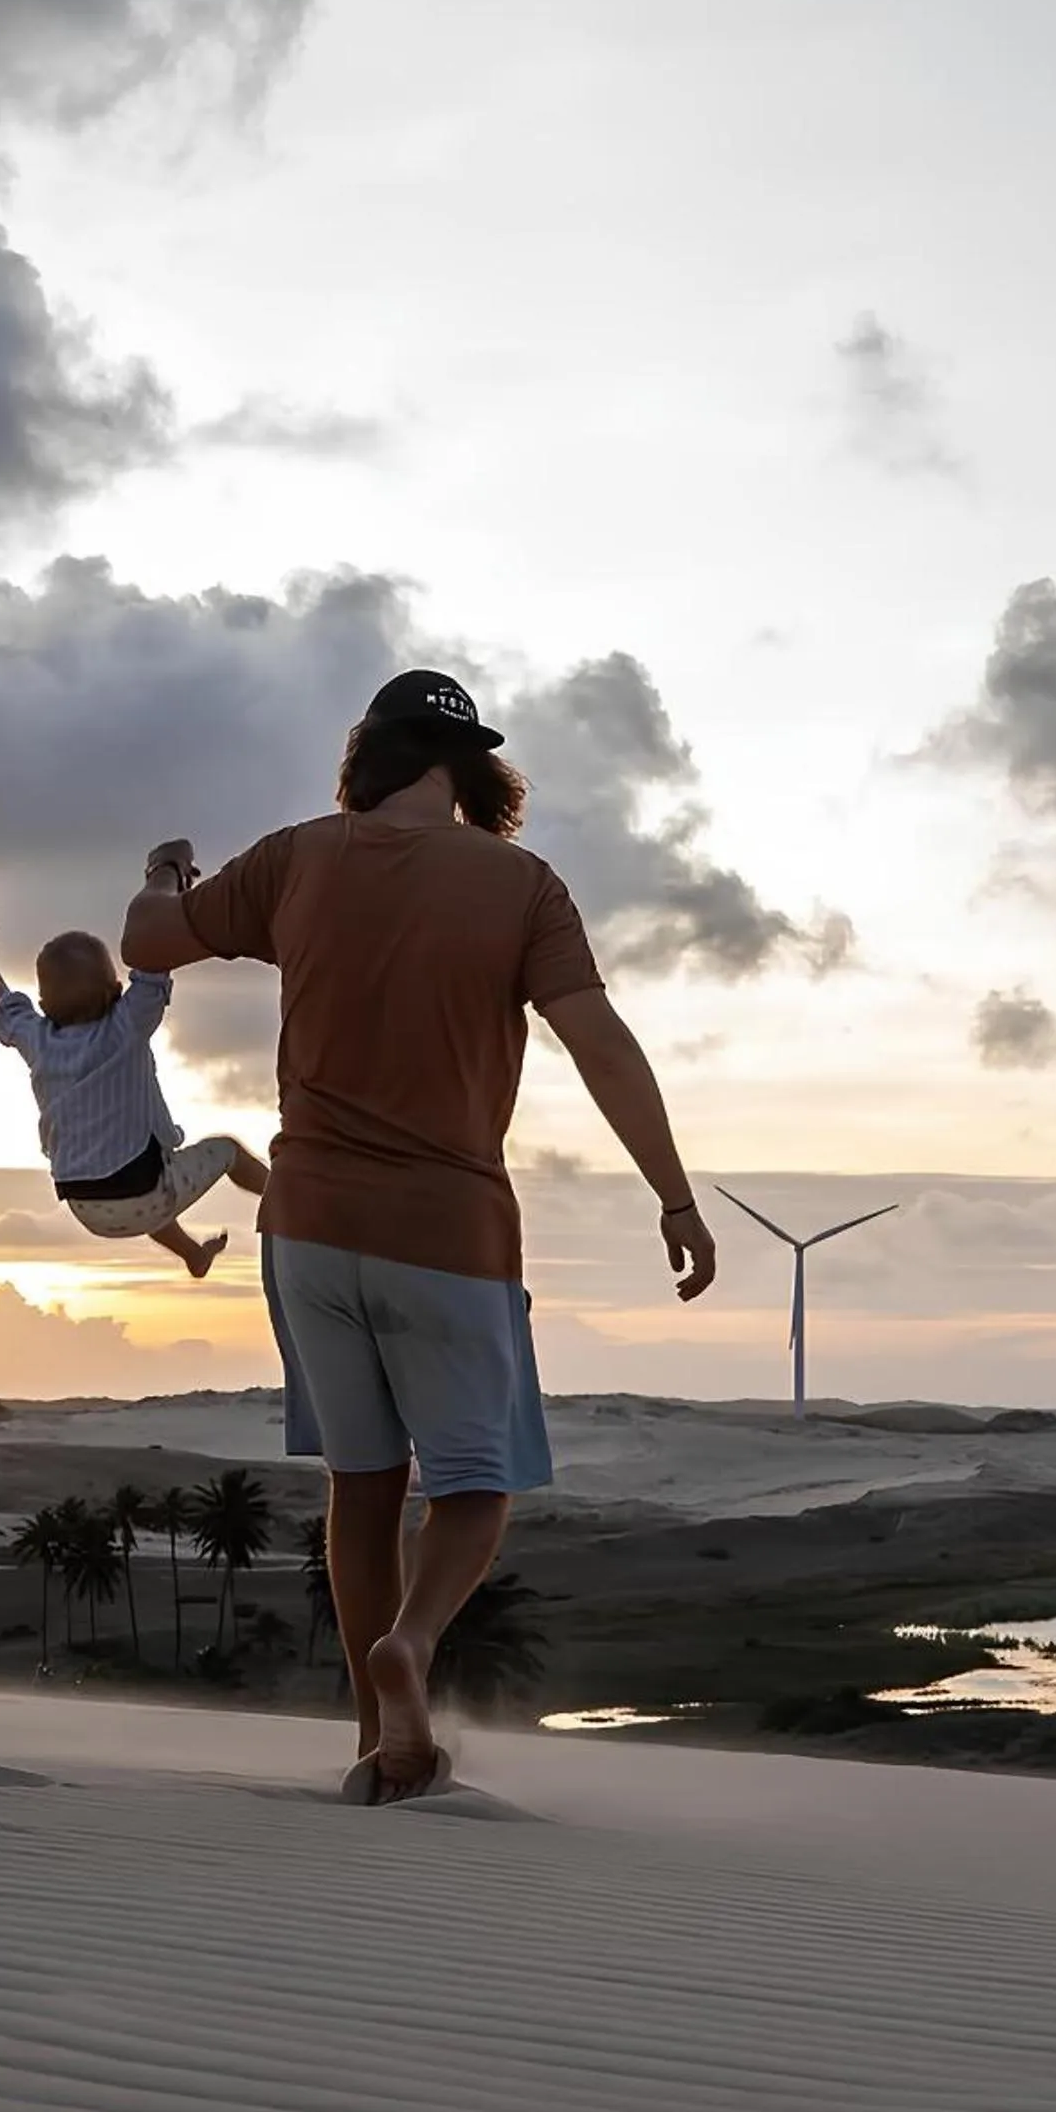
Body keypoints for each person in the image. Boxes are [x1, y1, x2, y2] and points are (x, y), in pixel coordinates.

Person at [122, 669, 717, 1802]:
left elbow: (147, 943)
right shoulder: (524, 887)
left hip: (303, 1229)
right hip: (446, 1231)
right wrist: (674, 1196)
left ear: (369, 759)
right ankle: (415, 1643)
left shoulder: (298, 856)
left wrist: (163, 876)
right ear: (473, 770)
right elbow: (601, 1043)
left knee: (362, 1488)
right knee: (474, 1486)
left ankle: (374, 1741)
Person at [0, 927, 267, 1277]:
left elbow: (0, 998)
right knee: (225, 1151)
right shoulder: (127, 1025)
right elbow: (155, 957)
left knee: (137, 1171)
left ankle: (193, 1255)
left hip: (85, 1206)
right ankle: (287, 1195)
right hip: (144, 1192)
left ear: (44, 1005)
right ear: (117, 991)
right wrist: (165, 879)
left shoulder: (36, 1039)